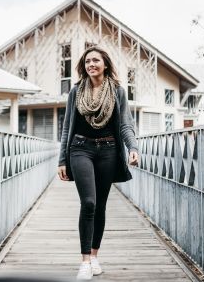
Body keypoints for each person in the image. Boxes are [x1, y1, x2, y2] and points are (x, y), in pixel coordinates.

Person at [57, 46, 139, 280]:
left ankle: (94, 256)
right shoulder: (75, 92)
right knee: (89, 203)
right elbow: (67, 127)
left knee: (100, 205)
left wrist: (132, 148)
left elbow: (125, 124)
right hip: (80, 149)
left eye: (95, 60)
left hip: (109, 150)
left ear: (105, 64)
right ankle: (84, 261)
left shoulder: (117, 92)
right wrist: (62, 159)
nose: (91, 64)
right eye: (87, 61)